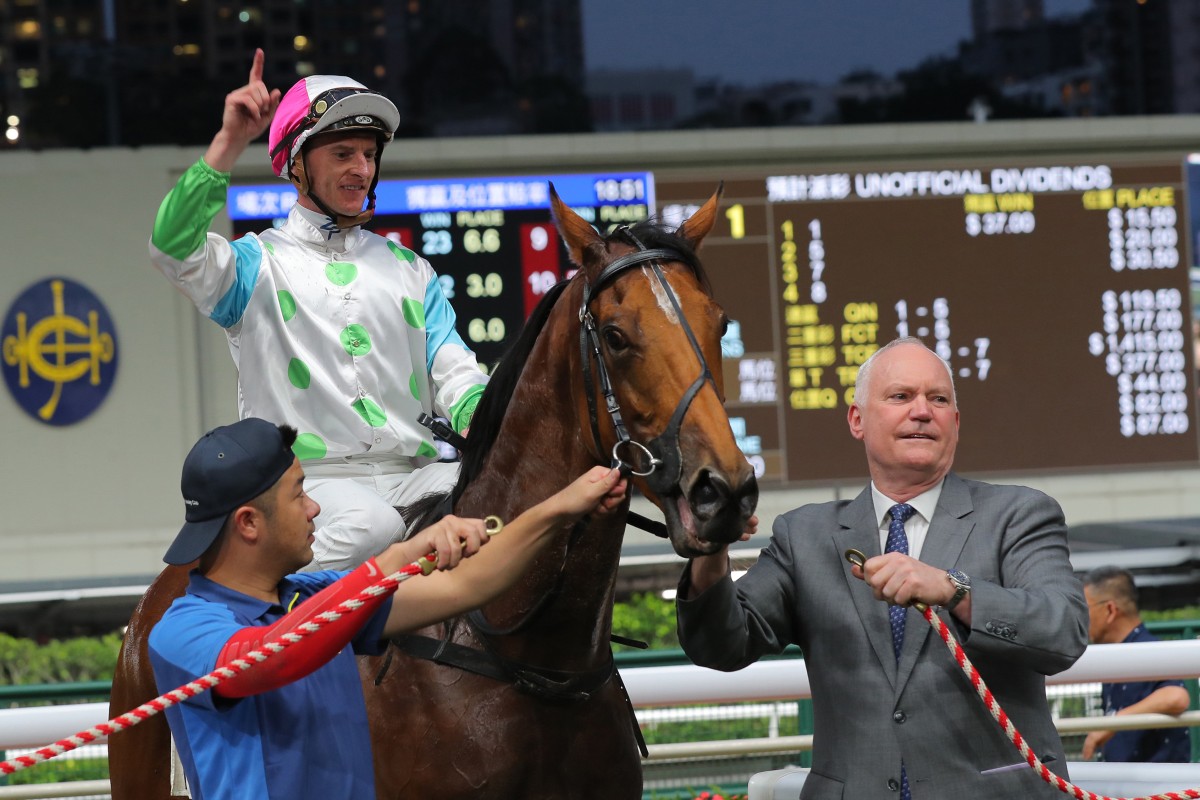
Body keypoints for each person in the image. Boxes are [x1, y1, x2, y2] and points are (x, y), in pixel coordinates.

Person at [676, 337, 1088, 799]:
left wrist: (956, 591)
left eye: (938, 399)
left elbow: (1063, 631)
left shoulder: (1020, 514)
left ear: (955, 422)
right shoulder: (804, 536)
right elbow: (721, 646)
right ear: (857, 420)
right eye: (900, 396)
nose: (922, 411)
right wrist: (710, 549)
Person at [148, 417, 626, 799]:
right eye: (298, 494)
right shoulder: (179, 633)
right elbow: (272, 656)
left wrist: (562, 505)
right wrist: (394, 558)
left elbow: (470, 584)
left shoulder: (310, 597)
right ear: (249, 523)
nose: (314, 509)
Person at [148, 49, 487, 570]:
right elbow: (172, 247)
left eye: (369, 154)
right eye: (343, 153)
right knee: (371, 526)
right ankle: (261, 614)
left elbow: (456, 374)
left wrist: (486, 420)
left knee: (506, 498)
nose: (362, 168)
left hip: (416, 473)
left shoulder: (410, 270)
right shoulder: (253, 265)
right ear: (297, 165)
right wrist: (231, 142)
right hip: (311, 486)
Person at [1081, 566, 1192, 762]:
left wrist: (1113, 723)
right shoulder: (1119, 655)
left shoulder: (1147, 651)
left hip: (1157, 786)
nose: (1081, 619)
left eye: (1085, 609)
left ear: (1110, 610)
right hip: (1136, 783)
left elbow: (1176, 697)